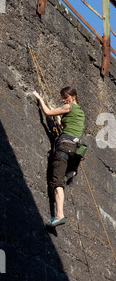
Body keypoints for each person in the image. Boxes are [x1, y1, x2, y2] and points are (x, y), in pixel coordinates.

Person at [32, 86, 85, 228]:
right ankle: (71, 172)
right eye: (62, 97)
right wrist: (59, 119)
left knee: (57, 183)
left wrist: (39, 98)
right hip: (75, 149)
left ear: (73, 96)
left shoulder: (68, 107)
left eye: (65, 97)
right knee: (67, 172)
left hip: (64, 147)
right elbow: (66, 127)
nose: (63, 100)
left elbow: (47, 112)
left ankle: (59, 215)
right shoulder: (80, 112)